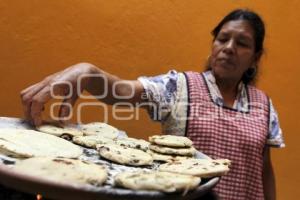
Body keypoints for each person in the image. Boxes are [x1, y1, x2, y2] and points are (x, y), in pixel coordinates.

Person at [20, 9, 284, 200]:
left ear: (255, 57)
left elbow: (263, 169)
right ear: (212, 45)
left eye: (242, 43)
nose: (228, 47)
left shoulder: (263, 105)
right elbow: (120, 91)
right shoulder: (179, 87)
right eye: (222, 38)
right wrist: (88, 73)